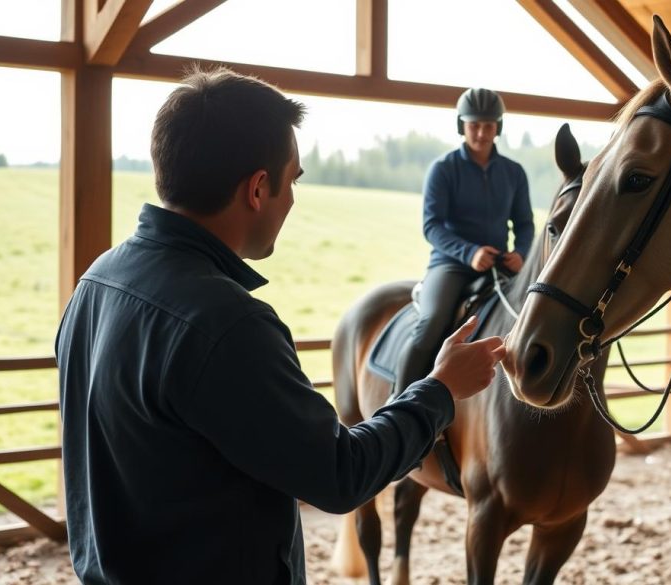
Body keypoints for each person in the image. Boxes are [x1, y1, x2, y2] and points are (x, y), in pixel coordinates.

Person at [55, 66, 505, 585]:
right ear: (258, 188)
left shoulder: (94, 283)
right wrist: (441, 389)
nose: (292, 199)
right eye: (293, 180)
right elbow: (340, 475)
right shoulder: (228, 323)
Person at [393, 88, 534, 398]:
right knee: (431, 324)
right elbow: (431, 226)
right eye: (474, 125)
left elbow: (525, 224)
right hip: (451, 265)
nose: (482, 133)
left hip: (499, 265)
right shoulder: (443, 170)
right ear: (462, 126)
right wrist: (469, 253)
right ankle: (398, 400)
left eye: (489, 125)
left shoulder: (514, 173)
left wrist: (521, 253)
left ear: (499, 126)